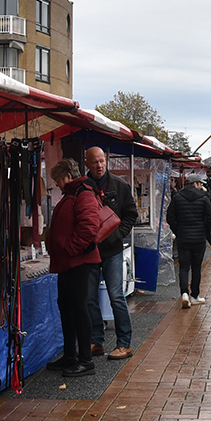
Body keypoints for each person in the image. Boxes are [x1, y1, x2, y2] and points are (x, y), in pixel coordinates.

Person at [45, 158, 102, 377]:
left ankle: (85, 360)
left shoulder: (83, 193)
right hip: (69, 262)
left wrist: (69, 249)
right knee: (67, 307)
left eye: (58, 180)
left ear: (68, 176)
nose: (57, 184)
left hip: (77, 261)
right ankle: (70, 355)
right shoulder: (74, 193)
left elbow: (88, 227)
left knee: (78, 308)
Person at [83, 146, 139, 360]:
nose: (99, 165)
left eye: (101, 161)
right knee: (89, 298)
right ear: (87, 163)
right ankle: (96, 341)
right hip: (89, 252)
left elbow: (131, 215)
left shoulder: (120, 185)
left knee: (116, 296)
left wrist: (118, 235)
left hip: (113, 250)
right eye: (94, 162)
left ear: (106, 161)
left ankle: (124, 343)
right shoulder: (83, 187)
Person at [166, 171, 211, 307]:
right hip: (199, 237)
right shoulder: (203, 197)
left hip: (183, 237)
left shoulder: (177, 197)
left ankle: (184, 293)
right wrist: (205, 230)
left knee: (184, 267)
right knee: (196, 267)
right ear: (195, 183)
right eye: (200, 184)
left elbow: (170, 217)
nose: (201, 186)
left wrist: (178, 230)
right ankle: (195, 295)